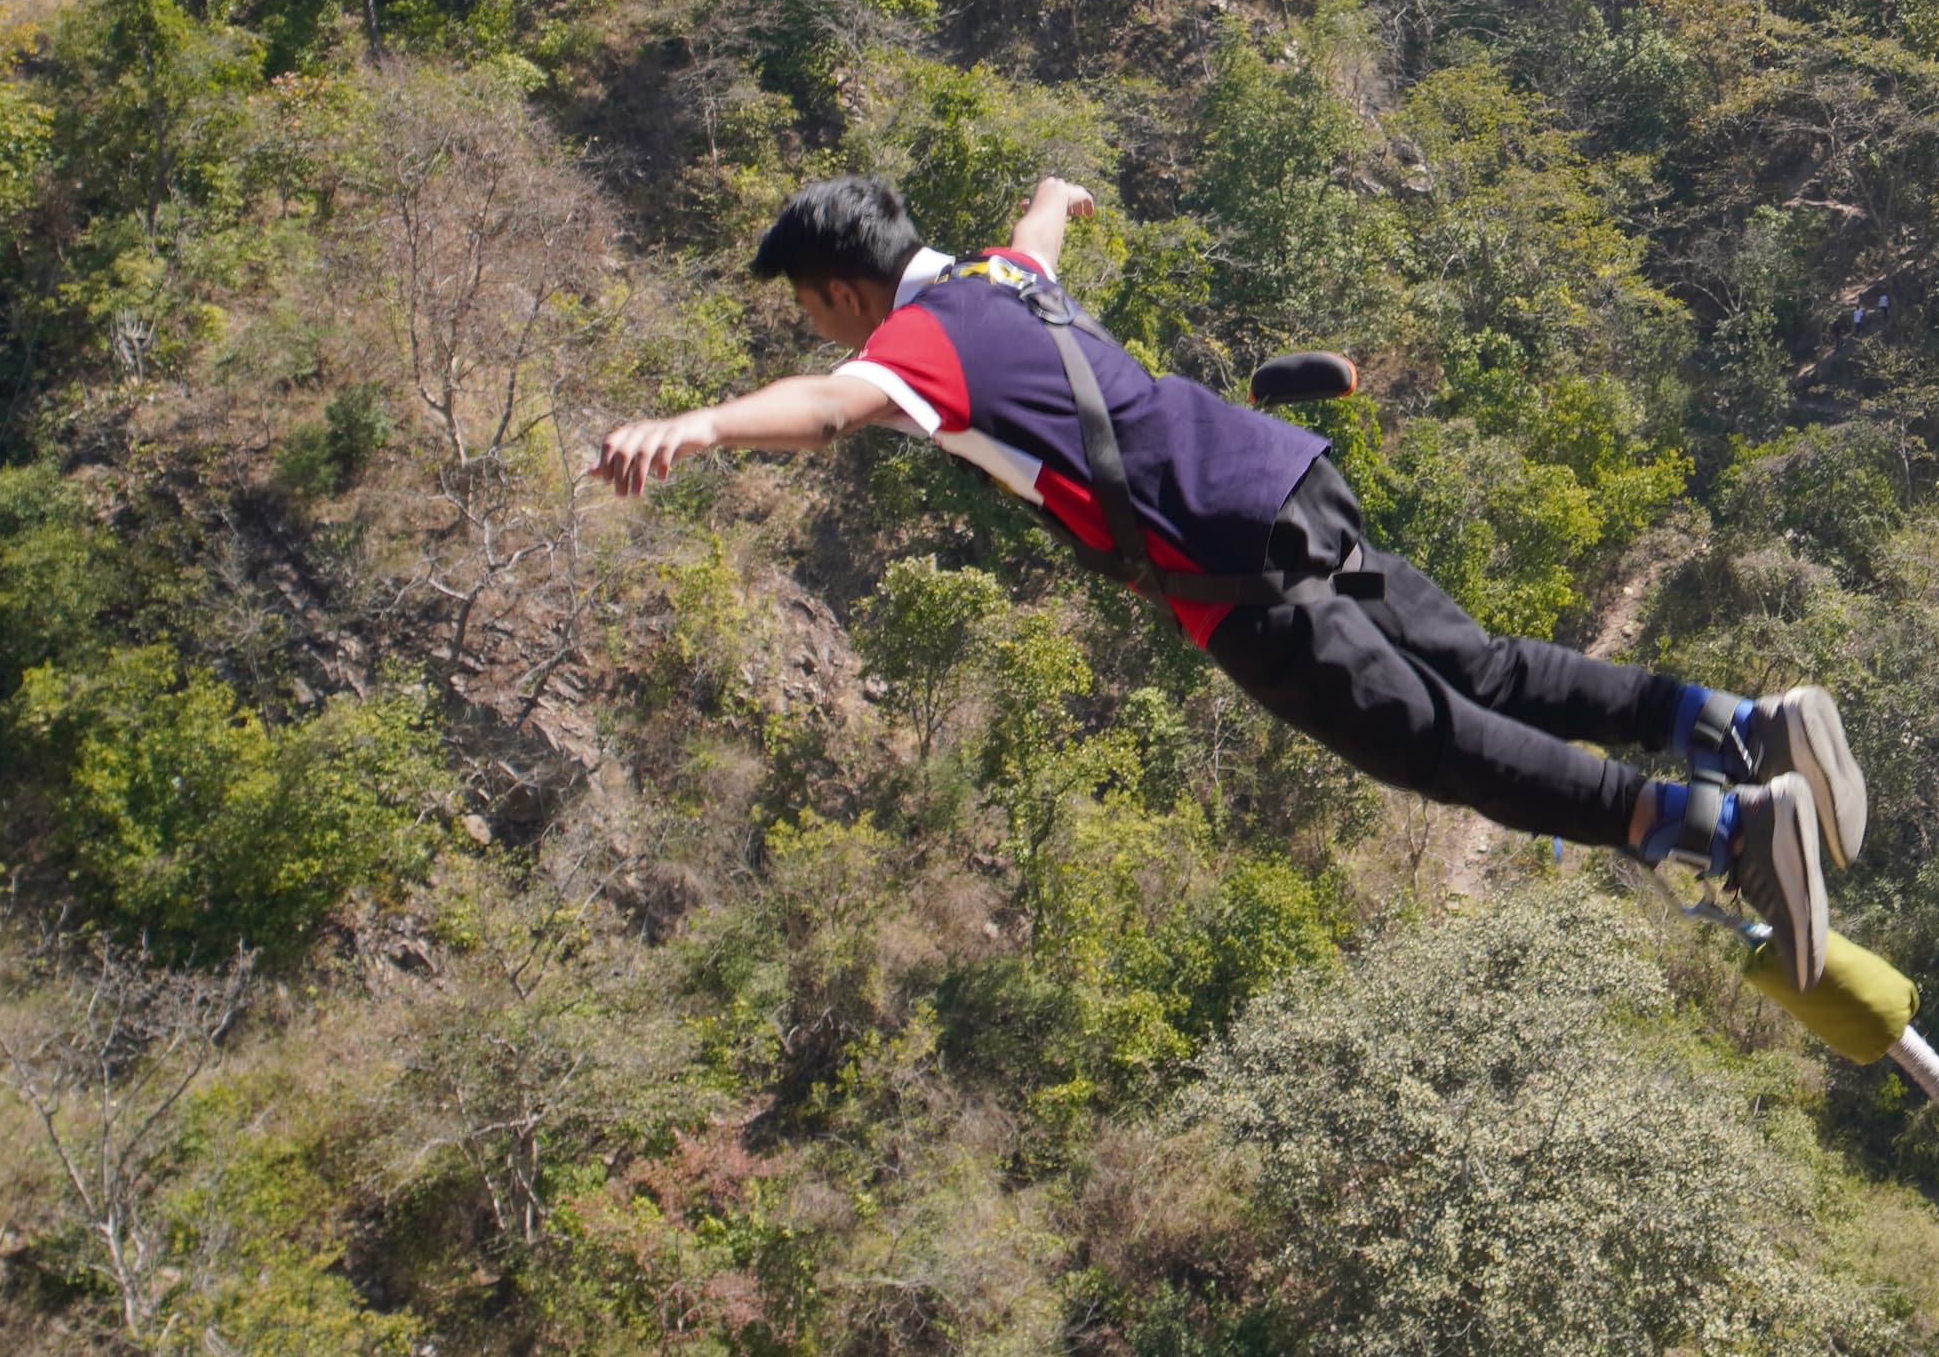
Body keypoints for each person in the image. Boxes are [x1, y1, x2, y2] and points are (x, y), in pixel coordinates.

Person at [592, 171, 1867, 987]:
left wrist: (700, 425)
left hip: (1224, 563)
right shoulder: (997, 277)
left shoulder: (916, 343)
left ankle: (1717, 827)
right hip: (1278, 475)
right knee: (1481, 666)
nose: (826, 332)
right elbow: (1035, 232)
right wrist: (1054, 194)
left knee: (1438, 741)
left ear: (838, 287)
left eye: (815, 310)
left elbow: (825, 409)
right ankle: (1744, 725)